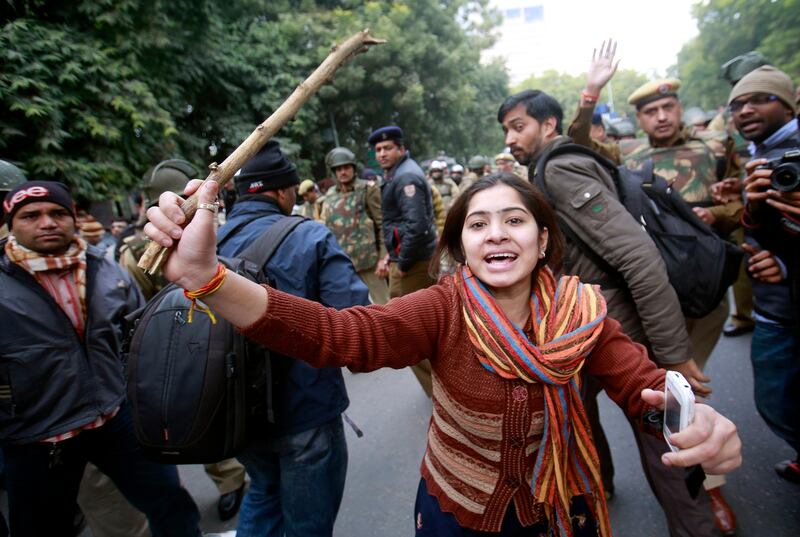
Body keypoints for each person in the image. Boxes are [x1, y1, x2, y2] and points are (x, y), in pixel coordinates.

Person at [144, 171, 742, 537]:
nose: (498, 233)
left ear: (541, 241)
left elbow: (642, 385)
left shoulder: (581, 310)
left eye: (515, 220)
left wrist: (687, 417)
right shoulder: (438, 308)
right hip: (458, 512)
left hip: (562, 507)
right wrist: (206, 276)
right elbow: (336, 336)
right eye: (478, 224)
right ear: (460, 245)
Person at [499, 85, 731, 537]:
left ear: (548, 125)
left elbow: (637, 257)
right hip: (583, 326)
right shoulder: (551, 168)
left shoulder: (561, 169)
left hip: (619, 329)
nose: (510, 138)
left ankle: (695, 527)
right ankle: (596, 486)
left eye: (518, 126)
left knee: (665, 448)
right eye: (506, 129)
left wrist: (671, 356)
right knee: (572, 417)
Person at [0, 181, 201, 537]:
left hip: (115, 417)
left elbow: (140, 340)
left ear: (73, 218)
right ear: (11, 223)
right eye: (31, 215)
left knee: (171, 504)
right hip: (38, 436)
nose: (47, 222)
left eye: (58, 213)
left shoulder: (106, 270)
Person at [216, 140, 370, 537]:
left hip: (236, 411)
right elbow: (352, 314)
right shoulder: (311, 236)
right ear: (284, 192)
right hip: (306, 408)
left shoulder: (205, 245)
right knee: (308, 524)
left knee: (264, 493)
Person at [119, 158, 248, 522]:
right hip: (168, 346)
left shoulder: (216, 231)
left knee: (218, 411)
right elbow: (133, 306)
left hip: (218, 337)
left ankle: (231, 479)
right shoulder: (136, 249)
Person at [728, 65, 800, 484]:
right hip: (775, 305)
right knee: (774, 397)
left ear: (787, 104)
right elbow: (765, 226)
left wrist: (786, 265)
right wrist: (749, 210)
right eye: (737, 104)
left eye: (759, 99)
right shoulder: (756, 155)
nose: (746, 110)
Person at [369, 126, 438, 397]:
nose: (382, 153)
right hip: (411, 259)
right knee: (423, 329)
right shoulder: (397, 173)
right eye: (378, 150)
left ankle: (442, 393)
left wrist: (403, 262)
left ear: (400, 148)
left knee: (408, 334)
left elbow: (417, 226)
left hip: (414, 263)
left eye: (387, 148)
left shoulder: (406, 175)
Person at [320, 146, 390, 305]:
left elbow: (382, 224)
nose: (342, 172)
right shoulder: (329, 196)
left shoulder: (367, 190)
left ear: (353, 168)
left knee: (383, 306)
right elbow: (325, 228)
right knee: (354, 313)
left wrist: (383, 259)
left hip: (370, 264)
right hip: (343, 267)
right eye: (338, 169)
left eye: (346, 167)